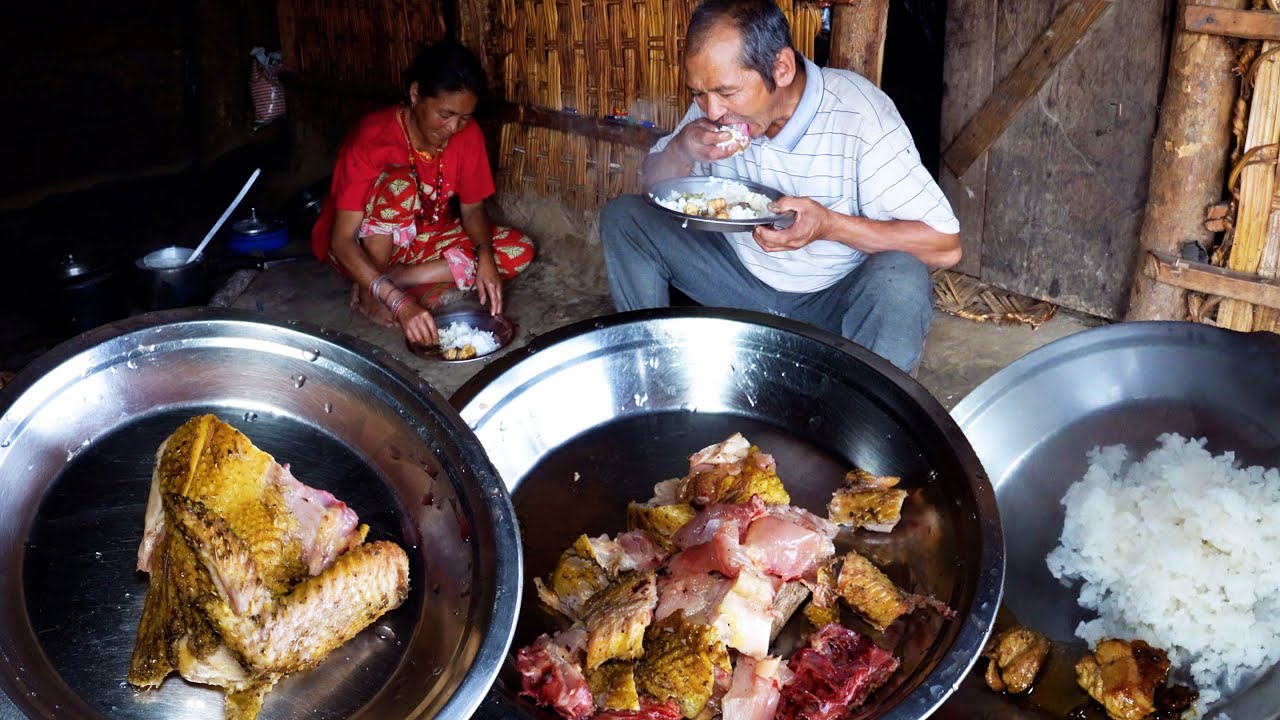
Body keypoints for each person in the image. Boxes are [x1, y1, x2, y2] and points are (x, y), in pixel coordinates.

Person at [599, 0, 960, 373]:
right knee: (625, 219)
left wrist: (830, 226)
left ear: (782, 68)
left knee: (901, 280)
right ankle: (646, 366)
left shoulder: (861, 117)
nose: (711, 111)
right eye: (698, 93)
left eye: (727, 91)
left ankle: (870, 413)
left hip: (830, 304)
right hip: (735, 280)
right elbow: (651, 186)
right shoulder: (712, 109)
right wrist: (681, 148)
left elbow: (945, 245)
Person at [311, 39, 535, 346]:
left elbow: (472, 210)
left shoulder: (468, 137)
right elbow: (342, 239)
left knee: (518, 249)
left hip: (423, 240)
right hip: (360, 248)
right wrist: (400, 305)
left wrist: (484, 256)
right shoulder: (373, 138)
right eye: (445, 114)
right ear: (416, 94)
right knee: (400, 184)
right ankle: (371, 288)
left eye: (465, 117)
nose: (454, 127)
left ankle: (401, 278)